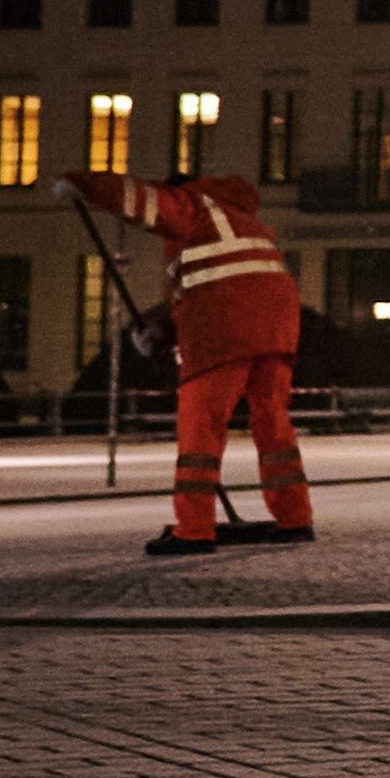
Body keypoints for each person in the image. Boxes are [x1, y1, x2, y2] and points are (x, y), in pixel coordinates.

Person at [65, 167, 316, 558]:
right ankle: (295, 517)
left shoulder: (193, 205)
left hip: (226, 329)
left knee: (201, 425)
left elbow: (143, 201)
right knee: (272, 422)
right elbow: (206, 286)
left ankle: (194, 529)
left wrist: (85, 186)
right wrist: (164, 329)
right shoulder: (242, 219)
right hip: (277, 328)